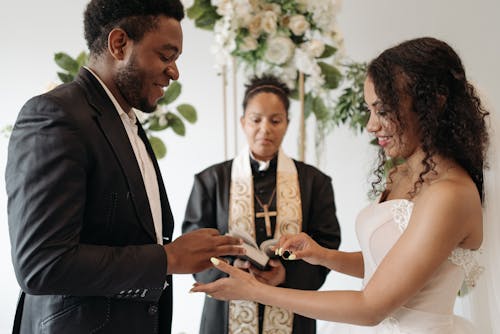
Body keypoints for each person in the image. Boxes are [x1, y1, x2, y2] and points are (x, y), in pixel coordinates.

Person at [190, 37, 490, 333]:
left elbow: (371, 307)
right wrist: (323, 255)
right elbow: (390, 265)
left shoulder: (451, 194)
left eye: (382, 110)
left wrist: (255, 291)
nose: (370, 126)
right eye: (369, 110)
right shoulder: (402, 175)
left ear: (431, 104)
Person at [5, 1, 244, 333]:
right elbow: (41, 264)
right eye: (166, 56)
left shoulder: (125, 120)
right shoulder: (56, 116)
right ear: (119, 44)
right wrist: (169, 258)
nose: (174, 72)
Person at [182, 75, 341, 334]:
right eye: (256, 120)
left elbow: (327, 245)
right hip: (226, 318)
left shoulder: (315, 182)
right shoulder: (211, 180)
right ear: (243, 122)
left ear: (287, 123)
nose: (265, 129)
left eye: (275, 120)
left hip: (293, 312)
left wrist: (285, 275)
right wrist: (232, 269)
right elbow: (194, 245)